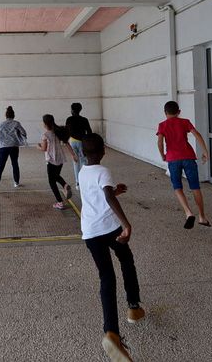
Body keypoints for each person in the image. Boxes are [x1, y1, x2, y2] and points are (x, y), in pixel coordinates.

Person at [79, 133, 145, 361]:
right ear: (104, 151)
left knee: (106, 277)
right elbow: (106, 197)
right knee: (126, 259)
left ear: (82, 153)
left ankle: (112, 333)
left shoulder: (83, 170)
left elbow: (98, 193)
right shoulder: (103, 171)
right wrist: (126, 225)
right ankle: (134, 307)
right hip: (110, 229)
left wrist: (114, 190)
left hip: (90, 232)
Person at [156, 101, 211, 229]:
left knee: (177, 187)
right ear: (179, 112)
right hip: (188, 157)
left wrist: (163, 155)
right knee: (195, 187)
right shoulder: (185, 122)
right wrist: (205, 152)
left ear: (165, 113)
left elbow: (159, 142)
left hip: (173, 159)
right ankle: (202, 217)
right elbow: (197, 135)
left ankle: (188, 212)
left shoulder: (162, 125)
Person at [37, 114, 77, 211]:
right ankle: (65, 185)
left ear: (45, 124)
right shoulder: (58, 132)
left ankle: (60, 202)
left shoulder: (46, 135)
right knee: (56, 175)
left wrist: (37, 146)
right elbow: (67, 143)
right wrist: (73, 155)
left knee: (51, 181)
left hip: (51, 159)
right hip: (60, 158)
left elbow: (44, 148)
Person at [0, 106, 27, 192]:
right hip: (14, 146)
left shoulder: (2, 124)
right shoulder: (16, 123)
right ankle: (16, 182)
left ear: (5, 116)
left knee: (1, 164)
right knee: (15, 163)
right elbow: (24, 132)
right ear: (13, 115)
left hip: (3, 147)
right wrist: (20, 137)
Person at [66, 102, 92, 188]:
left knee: (76, 162)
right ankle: (84, 181)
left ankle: (78, 183)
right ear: (80, 110)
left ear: (72, 110)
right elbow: (89, 132)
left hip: (72, 142)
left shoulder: (69, 119)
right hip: (82, 142)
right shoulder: (84, 120)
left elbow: (66, 131)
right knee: (84, 161)